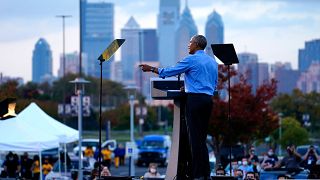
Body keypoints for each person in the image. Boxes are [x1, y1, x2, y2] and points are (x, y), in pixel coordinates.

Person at [140, 35, 218, 180]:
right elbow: (214, 84)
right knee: (201, 139)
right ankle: (205, 174)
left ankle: (198, 175)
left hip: (194, 100)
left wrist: (151, 69)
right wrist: (191, 87)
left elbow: (171, 71)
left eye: (190, 43)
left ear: (196, 44)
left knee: (195, 140)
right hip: (208, 100)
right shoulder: (213, 62)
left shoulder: (191, 59)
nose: (188, 45)